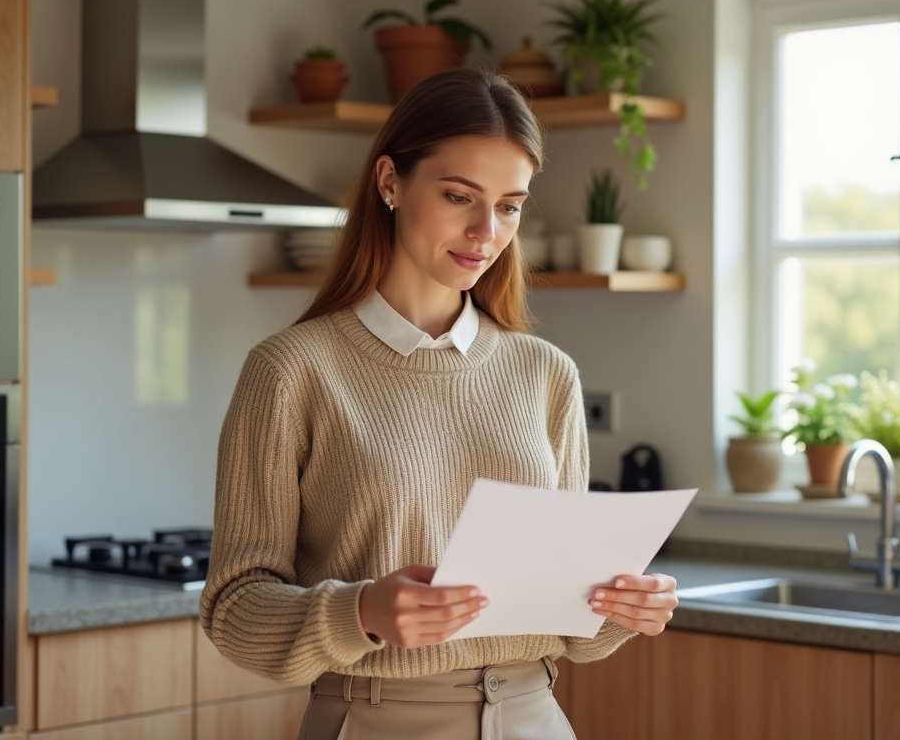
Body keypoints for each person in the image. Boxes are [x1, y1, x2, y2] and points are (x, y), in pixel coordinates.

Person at [200, 67, 679, 740]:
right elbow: (232, 610)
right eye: (460, 196)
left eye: (510, 205)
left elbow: (572, 630)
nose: (486, 231)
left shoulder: (546, 375)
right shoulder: (291, 372)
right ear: (390, 182)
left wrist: (620, 609)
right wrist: (360, 613)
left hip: (535, 718)